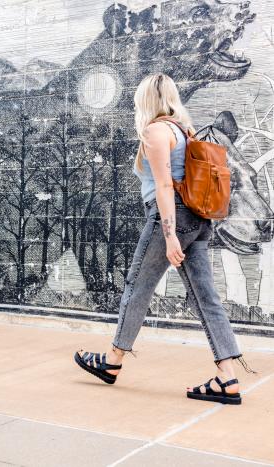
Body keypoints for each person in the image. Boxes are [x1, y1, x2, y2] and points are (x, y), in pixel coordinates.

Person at [73, 73, 254, 405]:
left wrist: (170, 236)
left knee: (137, 287)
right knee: (206, 298)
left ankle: (112, 362)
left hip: (172, 219)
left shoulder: (156, 131)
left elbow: (164, 187)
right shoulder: (183, 130)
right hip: (199, 221)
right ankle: (228, 378)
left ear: (145, 100)